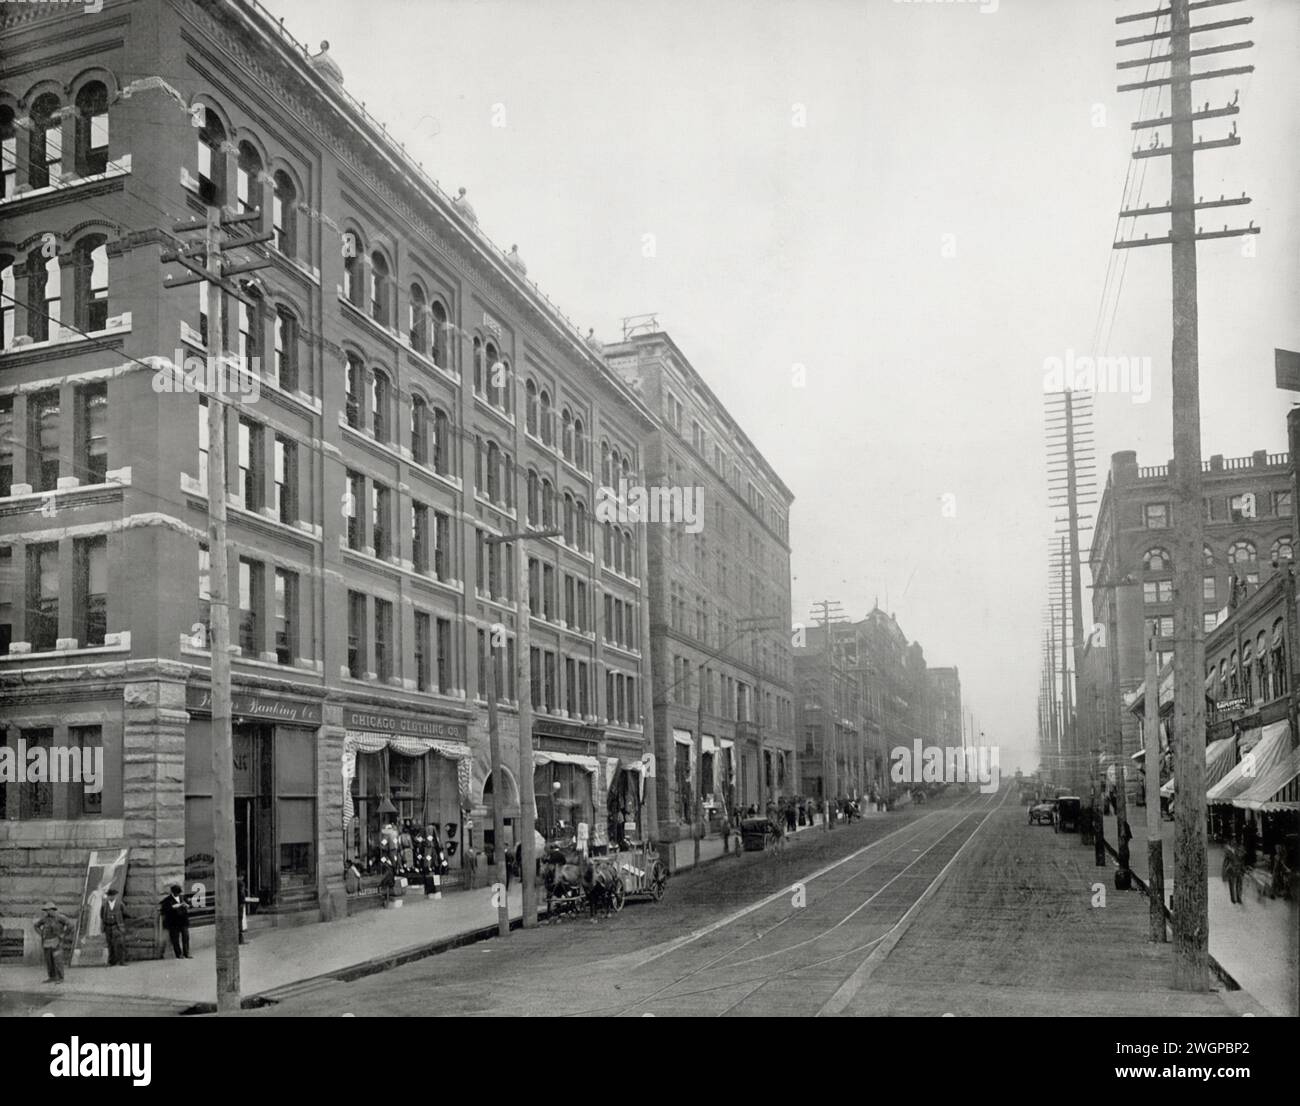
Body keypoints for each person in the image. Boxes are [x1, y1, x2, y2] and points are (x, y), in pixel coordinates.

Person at [34, 902, 74, 983]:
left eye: (49, 910)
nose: (47, 912)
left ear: (53, 910)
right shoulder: (44, 919)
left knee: (58, 960)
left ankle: (60, 977)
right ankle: (52, 977)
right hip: (47, 942)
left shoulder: (60, 917)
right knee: (49, 961)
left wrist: (64, 934)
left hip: (57, 942)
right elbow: (36, 925)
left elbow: (71, 925)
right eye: (46, 910)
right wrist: (41, 934)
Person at [159, 884, 193, 958]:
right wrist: (172, 907)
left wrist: (187, 905)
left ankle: (186, 953)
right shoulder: (168, 900)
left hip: (183, 920)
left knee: (186, 937)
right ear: (173, 892)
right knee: (175, 939)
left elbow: (190, 905)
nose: (178, 894)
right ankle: (179, 954)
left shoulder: (183, 897)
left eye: (179, 893)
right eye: (176, 893)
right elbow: (163, 910)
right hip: (174, 922)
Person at [100, 887, 128, 966]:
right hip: (108, 926)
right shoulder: (104, 904)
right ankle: (111, 961)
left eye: (112, 895)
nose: (111, 897)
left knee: (120, 944)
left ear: (115, 896)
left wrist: (120, 920)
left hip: (117, 926)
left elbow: (125, 913)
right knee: (110, 944)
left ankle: (122, 961)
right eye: (109, 895)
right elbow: (101, 915)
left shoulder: (120, 904)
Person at [1222, 839, 1244, 905]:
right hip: (1231, 870)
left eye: (1235, 844)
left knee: (1239, 884)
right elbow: (1225, 862)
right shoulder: (1228, 853)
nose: (1234, 845)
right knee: (1231, 885)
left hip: (1238, 870)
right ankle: (1233, 899)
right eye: (1233, 844)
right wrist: (1224, 872)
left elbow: (1242, 860)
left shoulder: (1239, 851)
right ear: (1231, 845)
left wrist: (1242, 868)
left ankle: (1239, 898)